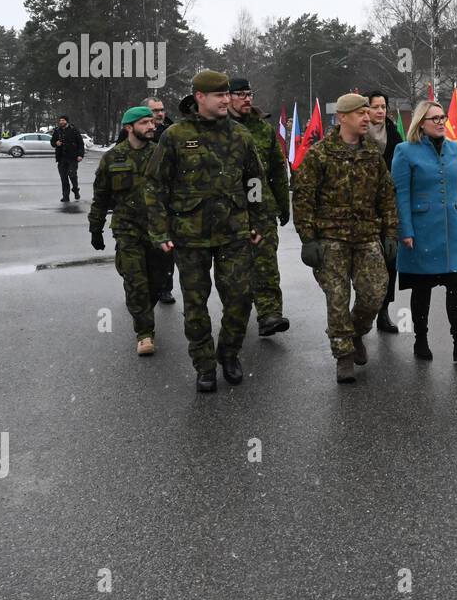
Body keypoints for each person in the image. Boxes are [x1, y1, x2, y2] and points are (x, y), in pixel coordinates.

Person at [145, 70, 269, 392]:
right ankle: (203, 364)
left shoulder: (241, 135)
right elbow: (155, 185)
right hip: (189, 237)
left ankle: (228, 353)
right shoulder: (174, 135)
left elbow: (254, 183)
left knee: (240, 299)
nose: (227, 100)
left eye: (228, 94)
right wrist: (160, 231)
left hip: (234, 233)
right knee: (196, 305)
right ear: (200, 97)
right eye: (219, 95)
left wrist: (258, 221)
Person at [293, 94, 399, 384]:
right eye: (360, 113)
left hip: (366, 236)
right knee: (337, 299)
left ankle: (355, 333)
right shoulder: (319, 154)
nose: (367, 118)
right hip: (331, 239)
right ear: (342, 117)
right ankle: (343, 355)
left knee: (375, 294)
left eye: (368, 112)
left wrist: (390, 233)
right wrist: (308, 239)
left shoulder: (373, 154)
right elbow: (303, 199)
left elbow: (386, 197)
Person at [392, 100, 457, 363]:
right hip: (421, 231)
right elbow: (402, 195)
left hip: (452, 228)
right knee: (423, 288)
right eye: (435, 119)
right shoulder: (405, 151)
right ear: (421, 123)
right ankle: (421, 340)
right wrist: (404, 229)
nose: (441, 122)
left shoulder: (454, 149)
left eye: (443, 117)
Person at [89, 106, 171, 356]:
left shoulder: (161, 155)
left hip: (157, 230)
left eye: (151, 122)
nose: (152, 126)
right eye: (145, 123)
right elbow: (101, 196)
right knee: (136, 281)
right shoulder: (112, 158)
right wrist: (96, 228)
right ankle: (145, 333)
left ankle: (144, 307)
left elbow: (175, 192)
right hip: (127, 230)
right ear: (129, 127)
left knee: (157, 282)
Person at [228, 78, 291, 337]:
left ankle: (269, 313)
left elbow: (277, 168)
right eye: (240, 94)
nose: (247, 99)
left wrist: (283, 205)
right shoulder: (219, 128)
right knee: (235, 270)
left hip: (262, 207)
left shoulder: (262, 129)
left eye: (249, 94)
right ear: (227, 97)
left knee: (265, 262)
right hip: (229, 211)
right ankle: (235, 317)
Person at [365, 89, 404, 333]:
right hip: (362, 210)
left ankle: (384, 311)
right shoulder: (357, 133)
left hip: (389, 208)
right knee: (364, 263)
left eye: (383, 106)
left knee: (390, 260)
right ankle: (363, 310)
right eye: (376, 107)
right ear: (365, 109)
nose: (381, 111)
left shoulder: (392, 132)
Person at [142, 97, 177, 303]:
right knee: (143, 248)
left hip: (166, 200)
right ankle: (140, 285)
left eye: (162, 109)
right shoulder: (134, 130)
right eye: (155, 110)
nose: (160, 113)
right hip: (140, 201)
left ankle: (165, 287)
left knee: (166, 247)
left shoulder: (172, 130)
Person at [50, 115, 85, 202]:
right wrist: (56, 143)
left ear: (67, 121)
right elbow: (52, 142)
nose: (61, 122)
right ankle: (66, 196)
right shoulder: (57, 131)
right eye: (60, 120)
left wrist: (80, 155)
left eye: (63, 120)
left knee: (72, 175)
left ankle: (76, 190)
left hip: (72, 157)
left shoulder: (74, 130)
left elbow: (80, 143)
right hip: (61, 158)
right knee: (64, 178)